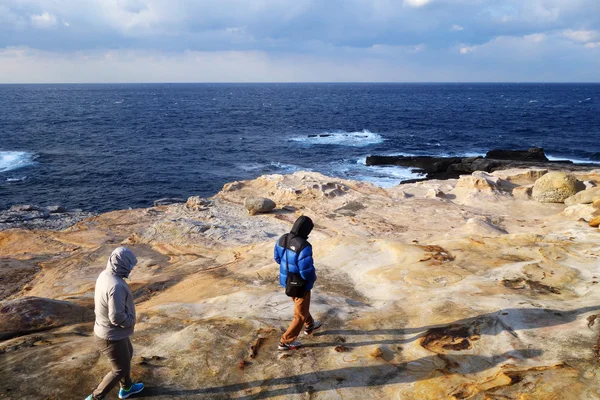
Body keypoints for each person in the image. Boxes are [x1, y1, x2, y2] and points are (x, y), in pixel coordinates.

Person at [86, 247, 145, 400]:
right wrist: (131, 321)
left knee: (128, 355)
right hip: (111, 335)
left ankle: (127, 387)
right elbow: (117, 317)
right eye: (130, 265)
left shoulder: (105, 275)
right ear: (123, 264)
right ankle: (95, 397)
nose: (131, 269)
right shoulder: (116, 286)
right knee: (119, 369)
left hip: (111, 331)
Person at [274, 216, 322, 350]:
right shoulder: (304, 246)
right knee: (300, 315)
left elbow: (277, 258)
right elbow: (306, 270)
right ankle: (285, 341)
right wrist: (312, 279)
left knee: (300, 306)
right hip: (300, 285)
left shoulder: (282, 238)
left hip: (286, 281)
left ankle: (310, 324)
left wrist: (288, 267)